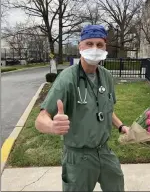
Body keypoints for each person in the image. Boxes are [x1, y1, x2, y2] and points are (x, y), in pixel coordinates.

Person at [35, 24, 129, 191]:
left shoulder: (106, 76)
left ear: (105, 47)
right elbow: (40, 119)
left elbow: (107, 109)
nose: (94, 48)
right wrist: (52, 126)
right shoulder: (67, 79)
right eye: (89, 44)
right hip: (79, 157)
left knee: (117, 185)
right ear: (80, 47)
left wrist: (121, 126)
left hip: (104, 151)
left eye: (99, 45)